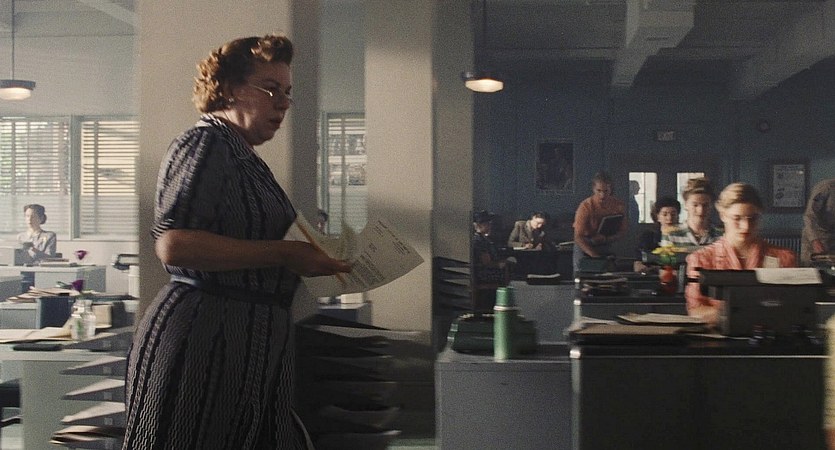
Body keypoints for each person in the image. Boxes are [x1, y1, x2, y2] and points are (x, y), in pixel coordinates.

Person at [123, 34, 351, 450]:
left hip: (247, 342)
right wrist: (284, 253)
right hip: (204, 340)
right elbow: (174, 245)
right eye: (270, 89)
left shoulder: (242, 155)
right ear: (228, 88)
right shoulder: (206, 143)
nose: (283, 104)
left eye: (287, 93)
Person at [685, 183, 796, 326]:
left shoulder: (784, 258)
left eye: (752, 218)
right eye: (737, 218)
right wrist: (745, 314)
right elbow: (696, 310)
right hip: (719, 337)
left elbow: (793, 306)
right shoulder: (702, 259)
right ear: (723, 215)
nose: (746, 226)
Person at [572, 171, 628, 272]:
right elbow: (578, 237)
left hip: (606, 242)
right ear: (593, 189)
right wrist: (595, 256)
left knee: (608, 274)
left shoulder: (618, 206)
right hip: (585, 244)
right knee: (582, 274)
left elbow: (622, 231)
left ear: (611, 190)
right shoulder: (585, 206)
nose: (602, 195)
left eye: (606, 191)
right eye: (599, 191)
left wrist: (607, 238)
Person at [663, 177, 722, 249]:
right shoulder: (671, 234)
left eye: (705, 205)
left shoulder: (721, 235)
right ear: (686, 204)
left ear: (711, 205)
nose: (701, 210)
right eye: (695, 205)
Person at [801, 178, 835, 266]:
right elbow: (810, 216)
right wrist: (815, 241)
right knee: (813, 270)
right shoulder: (825, 188)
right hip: (818, 237)